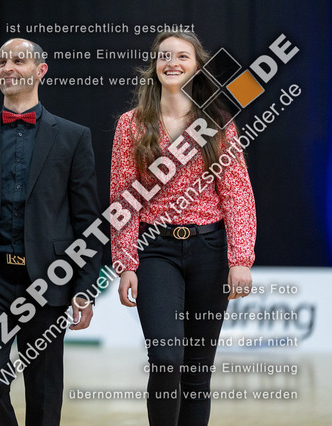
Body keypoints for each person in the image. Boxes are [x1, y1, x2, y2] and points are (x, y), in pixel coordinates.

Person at [0, 38, 102, 426]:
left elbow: (88, 222)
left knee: (45, 391)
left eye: (19, 60)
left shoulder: (73, 136)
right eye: (2, 62)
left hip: (50, 280)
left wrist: (85, 288)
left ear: (40, 70)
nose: (8, 68)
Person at [111, 31, 256, 425]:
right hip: (154, 250)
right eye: (164, 56)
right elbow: (124, 198)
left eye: (182, 56)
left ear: (197, 67)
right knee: (165, 357)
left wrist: (241, 259)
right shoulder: (131, 124)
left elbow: (237, 194)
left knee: (196, 371)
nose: (172, 63)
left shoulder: (217, 122)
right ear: (154, 66)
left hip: (209, 249)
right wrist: (126, 262)